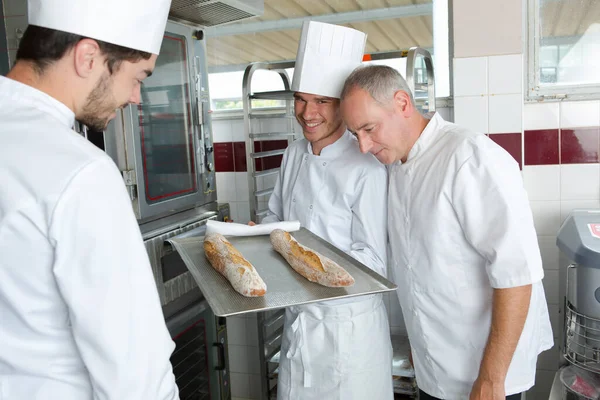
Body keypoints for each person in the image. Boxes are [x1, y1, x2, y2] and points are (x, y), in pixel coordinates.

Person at [339, 65, 554, 400]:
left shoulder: (470, 157)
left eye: (369, 128)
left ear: (402, 103)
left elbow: (517, 275)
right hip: (435, 365)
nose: (364, 146)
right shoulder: (397, 165)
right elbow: (421, 265)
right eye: (355, 134)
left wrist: (491, 379)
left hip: (486, 373)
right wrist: (420, 343)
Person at [0, 1, 179, 399]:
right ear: (87, 56)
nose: (136, 97)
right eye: (137, 77)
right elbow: (135, 371)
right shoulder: (81, 171)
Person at [258, 21, 393, 400]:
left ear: (342, 104)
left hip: (347, 334)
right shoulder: (293, 153)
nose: (307, 112)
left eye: (322, 101)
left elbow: (373, 261)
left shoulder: (367, 164)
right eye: (301, 99)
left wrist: (306, 272)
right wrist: (254, 239)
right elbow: (276, 220)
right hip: (299, 324)